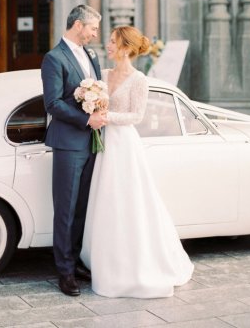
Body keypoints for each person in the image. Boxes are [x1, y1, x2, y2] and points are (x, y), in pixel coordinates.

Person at [81, 25, 194, 298]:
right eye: (107, 40)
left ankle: (135, 264)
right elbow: (94, 103)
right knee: (104, 199)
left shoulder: (139, 79)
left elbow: (137, 116)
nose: (107, 45)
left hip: (124, 145)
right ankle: (103, 258)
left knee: (128, 200)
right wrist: (88, 102)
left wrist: (106, 117)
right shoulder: (103, 75)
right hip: (103, 143)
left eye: (112, 41)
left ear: (126, 47)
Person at [41, 4, 105, 297]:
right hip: (68, 142)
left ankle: (76, 260)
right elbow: (52, 103)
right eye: (92, 28)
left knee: (81, 207)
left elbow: (99, 89)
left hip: (91, 142)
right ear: (78, 25)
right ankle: (64, 272)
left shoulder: (92, 55)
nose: (94, 34)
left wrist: (100, 107)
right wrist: (86, 118)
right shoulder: (54, 58)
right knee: (65, 209)